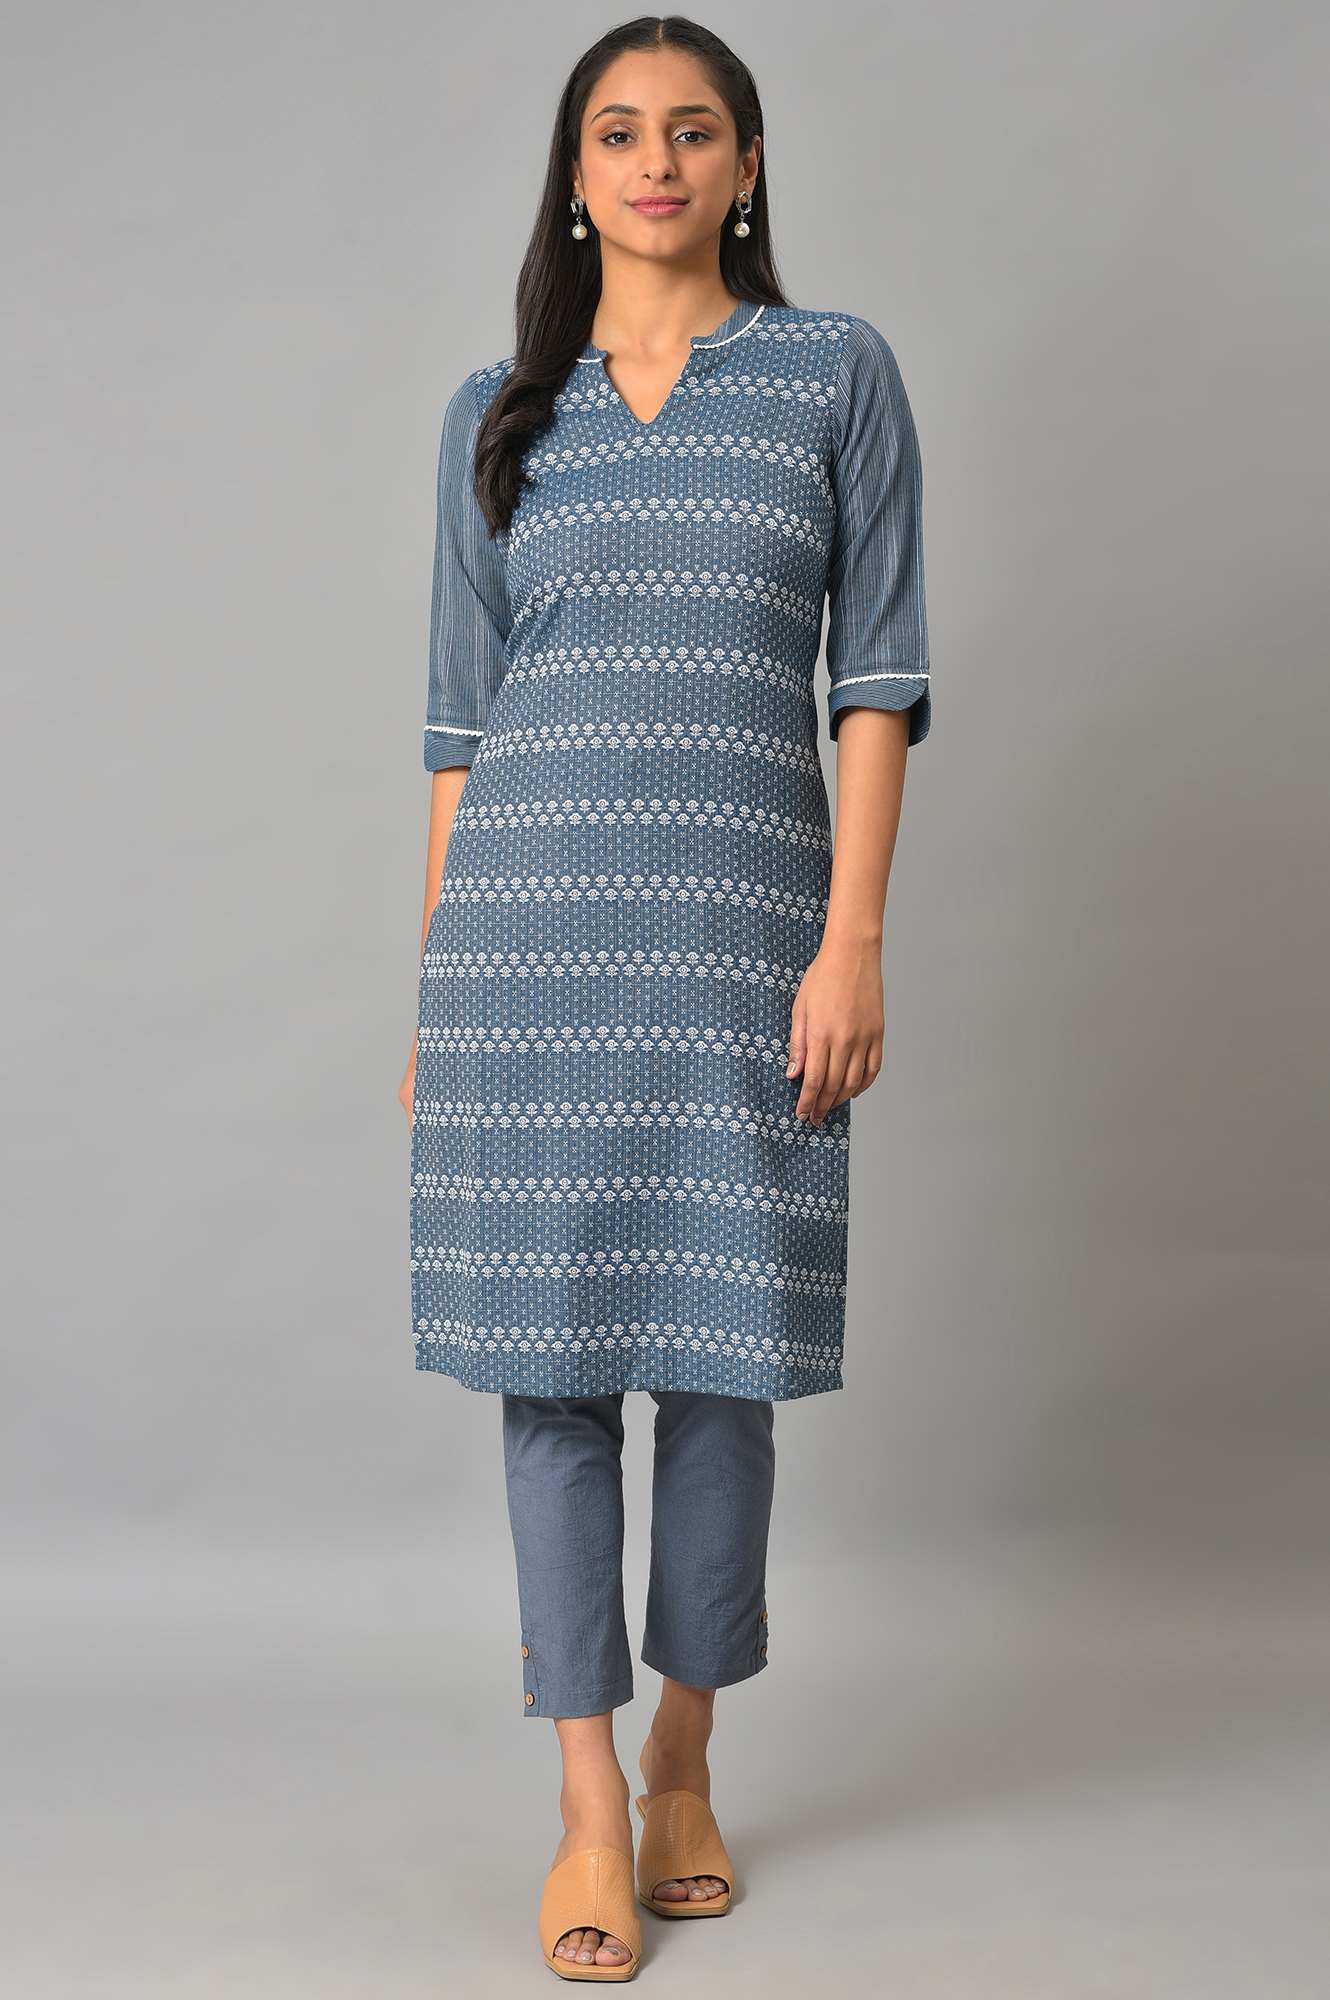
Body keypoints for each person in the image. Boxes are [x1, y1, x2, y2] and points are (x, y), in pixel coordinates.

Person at [399, 18, 930, 1981]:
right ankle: (586, 1808)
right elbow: (457, 729)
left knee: (721, 1373)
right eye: (616, 132)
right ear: (573, 175)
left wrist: (850, 937)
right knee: (547, 1380)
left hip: (740, 944)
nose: (653, 160)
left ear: (744, 163)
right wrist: (434, 989)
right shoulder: (497, 413)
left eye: (690, 130)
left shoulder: (830, 373)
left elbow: (877, 676)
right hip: (525, 949)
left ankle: (687, 1761)